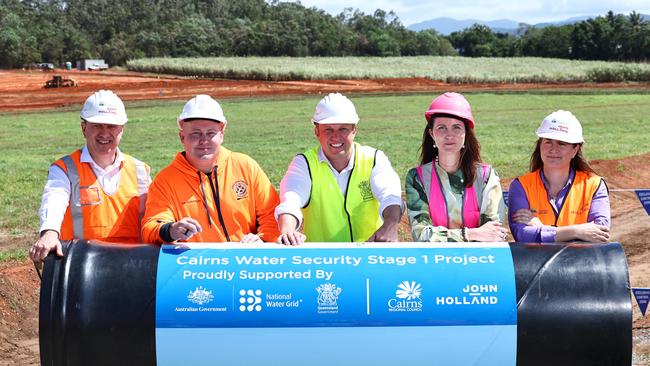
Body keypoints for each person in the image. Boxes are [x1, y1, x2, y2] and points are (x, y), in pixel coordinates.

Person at [30, 90, 151, 262]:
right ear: (84, 128)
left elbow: (155, 217)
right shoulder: (65, 169)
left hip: (132, 266)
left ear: (122, 129)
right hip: (81, 266)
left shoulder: (140, 171)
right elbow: (54, 200)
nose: (104, 133)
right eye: (97, 125)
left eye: (111, 126)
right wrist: (49, 232)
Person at [141, 95, 280, 244]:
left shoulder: (245, 166)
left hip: (246, 263)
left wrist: (263, 239)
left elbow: (273, 215)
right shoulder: (166, 180)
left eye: (211, 133)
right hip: (197, 265)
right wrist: (171, 230)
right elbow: (151, 226)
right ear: (182, 136)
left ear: (222, 135)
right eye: (196, 134)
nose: (204, 140)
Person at [275, 93, 403, 245]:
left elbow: (390, 195)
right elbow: (291, 200)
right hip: (323, 260)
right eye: (328, 130)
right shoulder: (304, 164)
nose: (336, 137)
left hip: (370, 256)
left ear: (354, 130)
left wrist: (390, 225)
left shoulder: (374, 159)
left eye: (343, 129)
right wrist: (287, 229)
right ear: (317, 132)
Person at [405, 92, 506, 242]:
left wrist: (443, 237)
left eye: (456, 127)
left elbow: (493, 233)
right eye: (442, 128)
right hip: (435, 261)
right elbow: (421, 234)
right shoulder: (417, 178)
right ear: (431, 133)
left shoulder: (486, 176)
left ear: (466, 133)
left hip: (478, 261)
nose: (449, 135)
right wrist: (469, 234)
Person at [508, 110, 610, 242]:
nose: (553, 149)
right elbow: (521, 235)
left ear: (575, 149)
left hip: (582, 261)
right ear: (540, 145)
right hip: (535, 262)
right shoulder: (521, 185)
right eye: (548, 141)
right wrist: (576, 231)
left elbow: (601, 232)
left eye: (562, 143)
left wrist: (542, 229)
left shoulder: (594, 185)